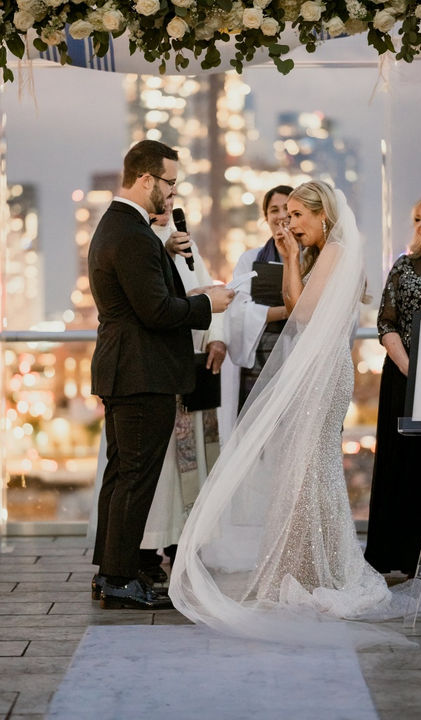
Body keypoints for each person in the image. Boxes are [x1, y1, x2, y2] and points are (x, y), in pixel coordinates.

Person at [169, 181, 421, 649]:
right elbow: (297, 306)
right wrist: (293, 256)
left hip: (325, 374)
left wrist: (294, 259)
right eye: (287, 216)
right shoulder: (317, 254)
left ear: (323, 216)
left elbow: (301, 317)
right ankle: (308, 565)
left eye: (297, 215)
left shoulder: (336, 252)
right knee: (303, 469)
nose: (289, 224)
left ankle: (325, 569)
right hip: (313, 368)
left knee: (311, 466)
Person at [88, 139, 234, 610]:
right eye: (170, 182)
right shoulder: (131, 233)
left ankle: (110, 571)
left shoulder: (128, 228)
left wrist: (165, 250)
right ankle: (118, 576)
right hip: (140, 372)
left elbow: (143, 291)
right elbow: (154, 310)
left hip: (127, 369)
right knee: (135, 476)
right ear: (147, 179)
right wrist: (207, 304)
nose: (173, 193)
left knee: (122, 474)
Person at [365, 191, 421, 577]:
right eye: (417, 218)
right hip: (405, 380)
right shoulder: (403, 267)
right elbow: (386, 324)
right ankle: (400, 556)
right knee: (405, 463)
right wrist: (412, 370)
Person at [224, 185, 293, 426]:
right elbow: (238, 310)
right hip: (260, 353)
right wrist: (288, 311)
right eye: (274, 210)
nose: (281, 215)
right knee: (256, 430)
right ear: (266, 218)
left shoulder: (312, 257)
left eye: (288, 209)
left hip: (297, 353)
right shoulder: (250, 259)